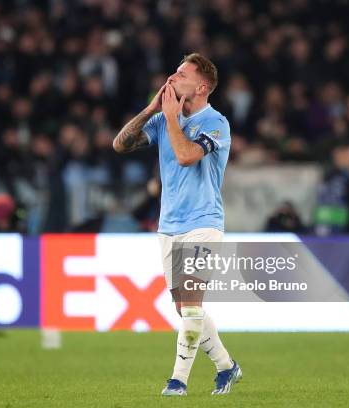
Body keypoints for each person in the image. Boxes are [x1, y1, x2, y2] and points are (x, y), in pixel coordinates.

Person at [113, 53, 240, 396]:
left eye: (181, 73)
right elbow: (119, 144)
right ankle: (227, 367)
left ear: (200, 87)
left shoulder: (216, 123)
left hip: (204, 222)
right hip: (169, 225)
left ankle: (177, 381)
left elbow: (186, 156)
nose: (172, 76)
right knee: (185, 309)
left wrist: (170, 119)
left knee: (193, 305)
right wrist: (153, 110)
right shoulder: (162, 119)